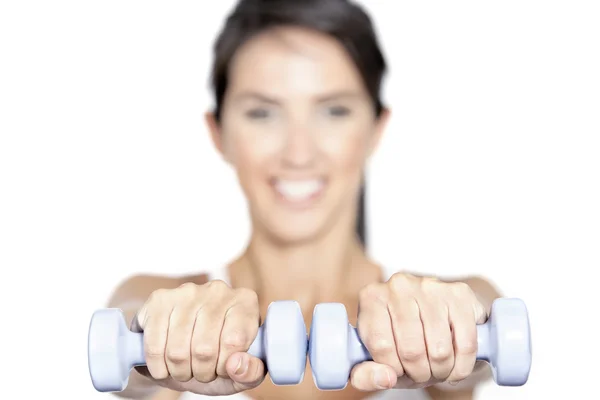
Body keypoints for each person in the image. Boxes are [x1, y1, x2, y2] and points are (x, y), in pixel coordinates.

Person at [106, 0, 502, 399]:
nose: (299, 153)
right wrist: (152, 337)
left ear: (376, 130)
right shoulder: (161, 302)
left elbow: (481, 321)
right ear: (218, 133)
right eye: (262, 113)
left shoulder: (441, 308)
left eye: (334, 111)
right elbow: (129, 317)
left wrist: (460, 329)